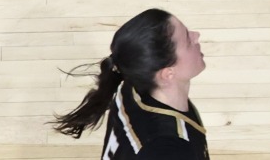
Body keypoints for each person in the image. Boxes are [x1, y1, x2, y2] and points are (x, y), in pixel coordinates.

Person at [50, 8, 209, 158]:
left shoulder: (131, 84)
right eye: (188, 40)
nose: (197, 35)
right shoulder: (169, 147)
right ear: (168, 73)